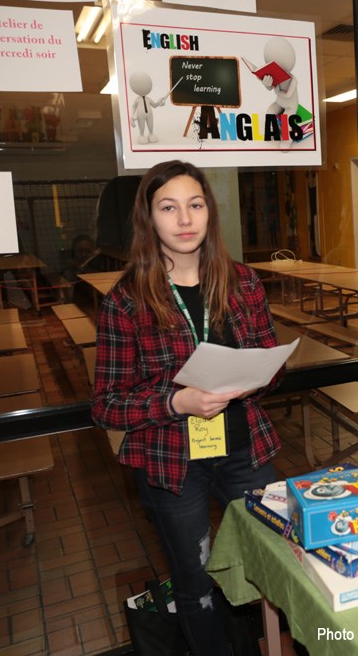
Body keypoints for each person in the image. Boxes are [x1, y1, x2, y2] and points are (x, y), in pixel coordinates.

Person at [92, 160, 281, 655]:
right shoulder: (126, 301)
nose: (184, 219)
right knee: (194, 581)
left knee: (273, 559)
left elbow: (270, 361)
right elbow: (108, 406)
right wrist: (178, 400)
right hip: (173, 464)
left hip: (245, 449)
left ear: (208, 213)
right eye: (168, 207)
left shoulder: (241, 281)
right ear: (149, 219)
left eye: (194, 205)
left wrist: (252, 378)